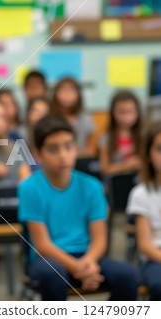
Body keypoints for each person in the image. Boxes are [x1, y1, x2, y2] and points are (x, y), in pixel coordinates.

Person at [18, 115, 138, 301]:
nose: (63, 155)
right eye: (53, 149)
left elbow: (99, 240)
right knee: (53, 275)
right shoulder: (29, 188)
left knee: (128, 275)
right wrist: (79, 269)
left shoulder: (93, 186)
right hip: (49, 260)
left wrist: (87, 264)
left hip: (88, 256)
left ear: (76, 148)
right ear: (38, 154)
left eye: (68, 146)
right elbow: (42, 245)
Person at [127, 122, 161, 301]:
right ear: (147, 155)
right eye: (159, 149)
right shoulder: (141, 193)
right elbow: (145, 246)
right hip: (154, 259)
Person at [98, 91, 141, 176]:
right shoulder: (106, 138)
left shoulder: (143, 135)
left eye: (130, 111)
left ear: (137, 112)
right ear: (113, 112)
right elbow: (105, 169)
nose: (126, 117)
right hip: (115, 183)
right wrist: (127, 165)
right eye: (121, 112)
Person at [51, 77, 95, 156]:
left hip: (81, 159)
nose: (67, 94)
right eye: (63, 90)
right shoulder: (50, 119)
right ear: (56, 94)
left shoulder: (86, 118)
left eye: (71, 90)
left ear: (78, 94)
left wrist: (74, 155)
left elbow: (90, 149)